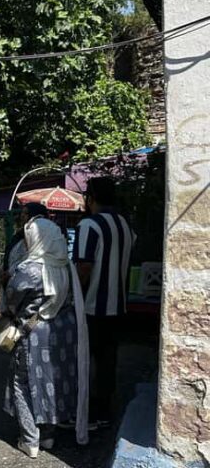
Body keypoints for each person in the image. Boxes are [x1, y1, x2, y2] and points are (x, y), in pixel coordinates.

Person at [3, 217, 90, 457]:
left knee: (22, 384)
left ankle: (30, 439)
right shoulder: (66, 266)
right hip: (61, 335)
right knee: (51, 384)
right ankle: (49, 436)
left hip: (31, 334)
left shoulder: (30, 269)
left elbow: (12, 298)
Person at [73, 177, 135, 427]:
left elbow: (84, 267)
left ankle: (85, 410)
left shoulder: (89, 225)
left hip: (91, 305)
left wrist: (73, 295)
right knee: (109, 357)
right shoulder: (125, 225)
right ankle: (105, 409)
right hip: (118, 303)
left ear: (91, 198)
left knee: (86, 357)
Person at [0, 203, 48, 311]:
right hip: (10, 282)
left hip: (24, 287)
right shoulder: (19, 235)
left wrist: (10, 273)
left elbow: (30, 258)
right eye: (22, 213)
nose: (22, 216)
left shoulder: (39, 239)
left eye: (26, 213)